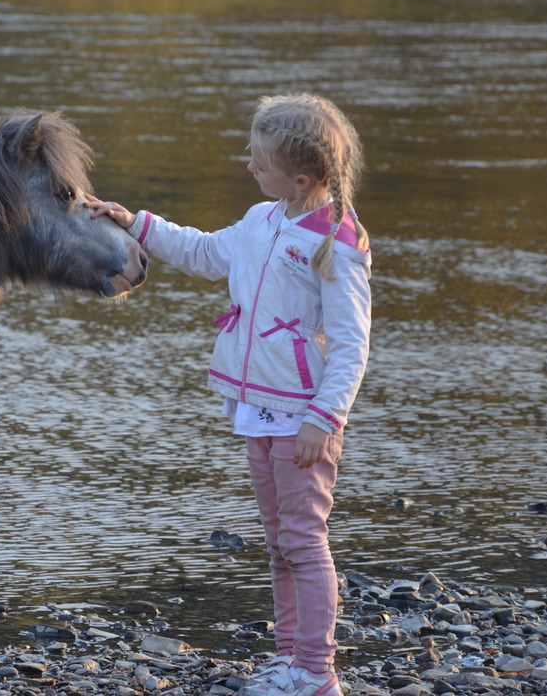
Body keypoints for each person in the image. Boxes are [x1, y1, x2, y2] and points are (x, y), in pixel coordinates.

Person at [88, 93, 371, 696]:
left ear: (300, 178)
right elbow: (200, 251)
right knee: (277, 542)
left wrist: (324, 418)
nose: (249, 167)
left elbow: (351, 346)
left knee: (303, 539)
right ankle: (289, 658)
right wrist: (134, 222)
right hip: (258, 410)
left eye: (259, 161)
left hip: (304, 419)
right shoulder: (259, 221)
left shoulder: (336, 243)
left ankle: (318, 674)